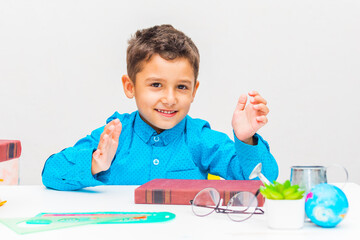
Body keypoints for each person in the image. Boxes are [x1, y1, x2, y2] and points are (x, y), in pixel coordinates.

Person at [42, 24, 278, 191]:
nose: (170, 98)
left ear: (194, 90)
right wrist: (96, 163)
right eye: (156, 85)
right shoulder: (114, 135)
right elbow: (51, 172)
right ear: (130, 86)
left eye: (182, 87)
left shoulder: (200, 139)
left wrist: (246, 140)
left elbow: (264, 182)